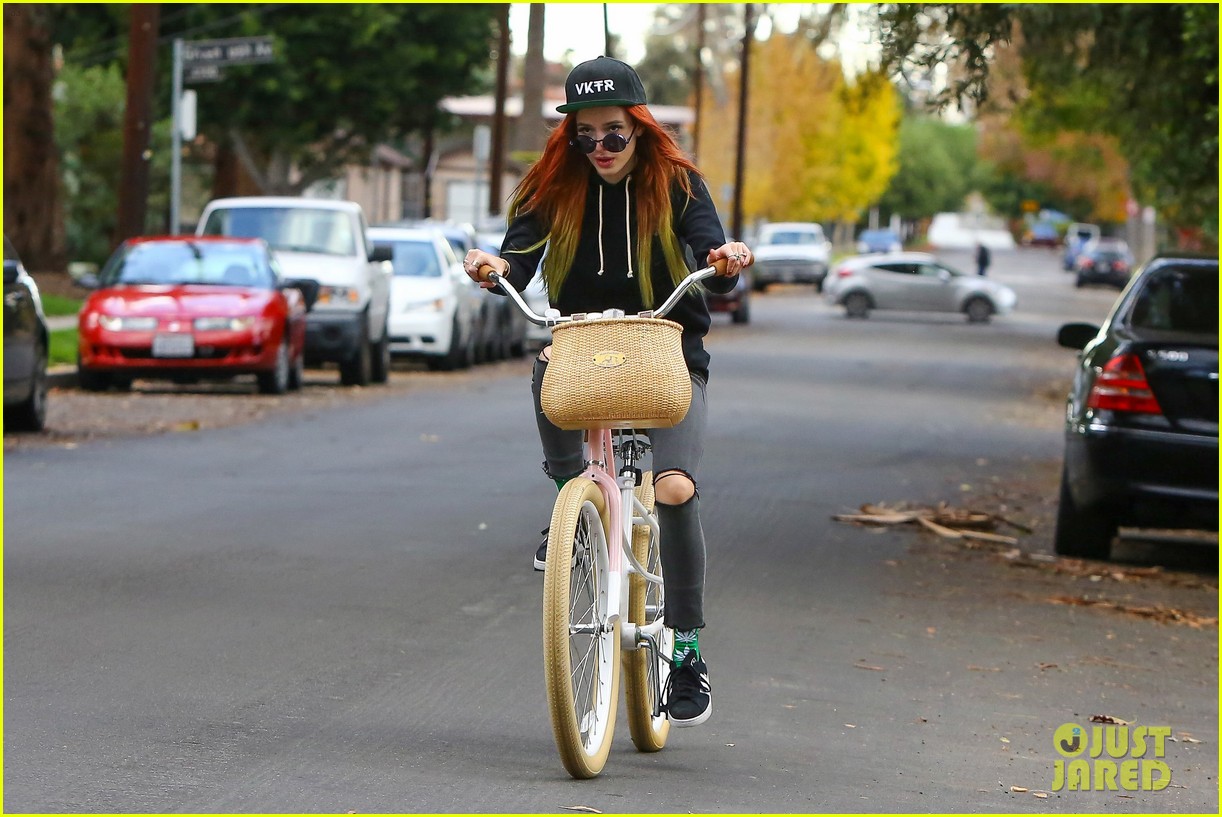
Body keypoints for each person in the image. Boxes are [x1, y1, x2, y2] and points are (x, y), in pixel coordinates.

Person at [463, 56, 751, 729]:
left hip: (667, 352)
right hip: (584, 347)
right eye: (584, 135)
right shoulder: (550, 186)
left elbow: (712, 253)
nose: (600, 148)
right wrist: (494, 266)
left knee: (674, 485)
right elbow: (520, 255)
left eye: (614, 134)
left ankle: (685, 649)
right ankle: (567, 499)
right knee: (545, 365)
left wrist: (725, 260)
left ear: (640, 129)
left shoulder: (676, 183)